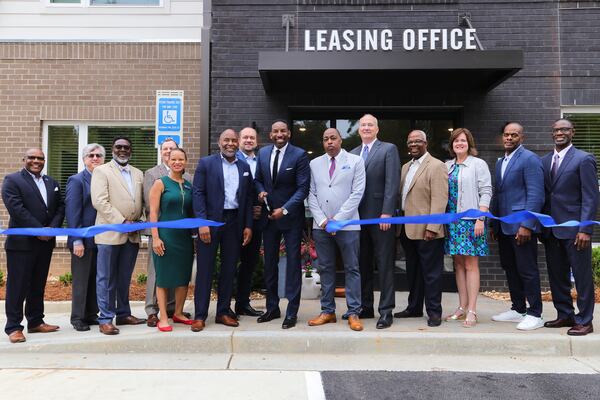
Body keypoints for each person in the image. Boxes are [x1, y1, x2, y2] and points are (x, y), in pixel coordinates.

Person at [191, 129, 254, 332]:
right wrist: (202, 223)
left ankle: (223, 312)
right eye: (226, 140)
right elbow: (198, 193)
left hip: (234, 221)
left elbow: (247, 199)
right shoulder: (206, 163)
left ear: (238, 144)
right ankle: (200, 315)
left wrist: (248, 225)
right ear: (219, 142)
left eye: (234, 140)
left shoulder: (244, 167)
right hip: (210, 222)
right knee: (205, 269)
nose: (230, 143)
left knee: (229, 269)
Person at [541, 118, 599, 336]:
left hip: (576, 231)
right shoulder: (545, 161)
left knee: (582, 277)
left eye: (564, 129)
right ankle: (565, 314)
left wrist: (585, 228)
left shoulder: (584, 159)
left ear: (572, 132)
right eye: (556, 129)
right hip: (551, 230)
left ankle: (585, 320)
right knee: (557, 275)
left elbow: (591, 197)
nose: (559, 133)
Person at [2, 148, 65, 343]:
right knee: (17, 286)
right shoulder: (12, 180)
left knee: (38, 284)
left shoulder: (51, 182)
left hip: (44, 244)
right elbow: (16, 209)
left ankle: (36, 321)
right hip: (22, 244)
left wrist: (52, 229)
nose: (36, 161)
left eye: (40, 158)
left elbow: (60, 207)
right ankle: (13, 327)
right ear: (24, 159)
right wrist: (40, 230)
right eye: (32, 157)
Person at [307, 128, 366, 331]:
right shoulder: (314, 163)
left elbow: (357, 193)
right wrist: (324, 220)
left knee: (352, 268)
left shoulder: (356, 161)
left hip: (348, 225)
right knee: (325, 269)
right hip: (321, 226)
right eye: (326, 139)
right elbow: (311, 194)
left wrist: (338, 220)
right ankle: (327, 311)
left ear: (340, 140)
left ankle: (354, 312)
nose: (329, 142)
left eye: (333, 138)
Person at [255, 119, 310, 329]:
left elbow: (302, 189)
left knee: (293, 265)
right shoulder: (263, 153)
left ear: (289, 133)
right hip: (268, 220)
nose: (279, 134)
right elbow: (257, 179)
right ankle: (272, 308)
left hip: (290, 219)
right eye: (276, 131)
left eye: (283, 131)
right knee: (269, 263)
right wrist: (260, 191)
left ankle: (292, 312)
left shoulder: (299, 155)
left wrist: (285, 209)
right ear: (271, 134)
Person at [489, 122, 545, 331]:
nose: (509, 138)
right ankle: (518, 308)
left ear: (522, 137)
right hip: (504, 226)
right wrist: (494, 223)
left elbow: (536, 194)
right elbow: (499, 193)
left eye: (514, 135)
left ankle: (535, 313)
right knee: (511, 268)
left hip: (521, 227)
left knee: (527, 270)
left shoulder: (530, 159)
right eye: (506, 134)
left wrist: (527, 225)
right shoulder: (500, 161)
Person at [91, 136, 146, 335]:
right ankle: (105, 318)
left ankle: (123, 313)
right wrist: (122, 222)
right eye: (118, 147)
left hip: (132, 235)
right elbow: (99, 201)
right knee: (106, 278)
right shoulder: (101, 171)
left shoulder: (138, 173)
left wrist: (142, 222)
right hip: (110, 233)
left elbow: (142, 202)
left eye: (126, 147)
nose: (122, 150)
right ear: (112, 149)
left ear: (131, 150)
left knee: (124, 277)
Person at [350, 114, 400, 329]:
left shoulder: (388, 149)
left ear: (377, 129)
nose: (366, 128)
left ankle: (386, 310)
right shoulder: (352, 154)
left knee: (385, 264)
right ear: (359, 130)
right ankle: (366, 306)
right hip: (357, 219)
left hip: (381, 218)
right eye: (363, 125)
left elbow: (392, 182)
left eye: (370, 125)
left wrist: (387, 212)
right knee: (363, 264)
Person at [397, 130, 448, 327]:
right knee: (414, 272)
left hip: (428, 231)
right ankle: (414, 307)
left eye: (418, 141)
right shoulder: (405, 167)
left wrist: (433, 227)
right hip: (407, 229)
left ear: (426, 143)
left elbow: (439, 199)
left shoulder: (437, 166)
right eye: (410, 141)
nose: (414, 144)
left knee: (431, 273)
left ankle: (434, 312)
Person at [443, 129, 492, 328]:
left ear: (469, 143)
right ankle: (461, 307)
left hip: (471, 221)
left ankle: (472, 309)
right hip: (453, 222)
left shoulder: (478, 164)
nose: (459, 144)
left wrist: (481, 218)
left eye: (463, 140)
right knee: (459, 265)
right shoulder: (447, 166)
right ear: (451, 144)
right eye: (456, 141)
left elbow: (486, 191)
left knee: (471, 265)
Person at [142, 138, 191, 327]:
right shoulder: (159, 183)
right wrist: (155, 237)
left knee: (182, 276)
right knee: (162, 277)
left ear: (185, 162)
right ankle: (163, 316)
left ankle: (178, 312)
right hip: (165, 235)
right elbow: (152, 212)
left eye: (181, 159)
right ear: (168, 161)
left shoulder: (188, 184)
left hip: (184, 238)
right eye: (174, 159)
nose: (177, 162)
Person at [65, 143, 105, 332]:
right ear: (84, 159)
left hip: (101, 240)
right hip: (83, 240)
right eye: (91, 155)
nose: (95, 158)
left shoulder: (104, 179)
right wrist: (77, 240)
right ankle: (78, 318)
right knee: (81, 280)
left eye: (98, 155)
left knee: (95, 279)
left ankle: (90, 314)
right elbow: (73, 213)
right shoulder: (77, 180)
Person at [235, 127, 265, 317]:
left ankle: (242, 304)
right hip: (234, 219)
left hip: (256, 218)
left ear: (257, 141)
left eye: (252, 138)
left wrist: (259, 205)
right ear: (239, 140)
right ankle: (224, 306)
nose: (248, 140)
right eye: (245, 137)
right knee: (230, 263)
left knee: (248, 263)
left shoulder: (261, 160)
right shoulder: (231, 159)